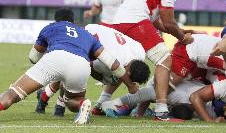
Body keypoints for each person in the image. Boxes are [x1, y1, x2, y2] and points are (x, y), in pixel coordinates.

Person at [0, 9, 136, 125]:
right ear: (73, 20)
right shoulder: (87, 34)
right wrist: (130, 85)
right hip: (81, 64)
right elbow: (112, 63)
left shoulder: (51, 27)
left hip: (54, 58)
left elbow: (33, 57)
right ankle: (83, 103)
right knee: (72, 101)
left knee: (14, 93)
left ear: (56, 20)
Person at [105, 0, 194, 121]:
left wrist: (178, 31)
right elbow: (168, 22)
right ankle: (161, 110)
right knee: (164, 59)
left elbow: (156, 22)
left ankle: (102, 102)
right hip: (135, 21)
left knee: (127, 63)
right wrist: (182, 36)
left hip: (120, 20)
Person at [35, 24, 150, 117]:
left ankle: (52, 103)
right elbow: (91, 67)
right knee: (70, 70)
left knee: (117, 75)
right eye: (128, 77)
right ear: (129, 72)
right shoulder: (111, 59)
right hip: (86, 36)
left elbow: (121, 72)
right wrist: (110, 80)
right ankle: (48, 100)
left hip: (101, 33)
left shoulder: (140, 53)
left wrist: (124, 81)